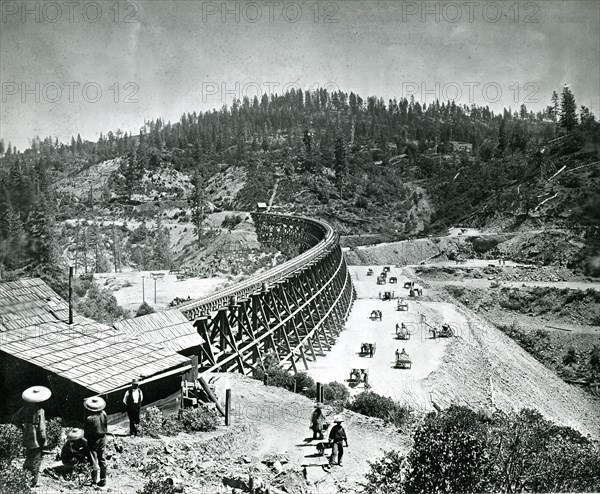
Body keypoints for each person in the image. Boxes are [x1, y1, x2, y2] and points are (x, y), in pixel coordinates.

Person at [20, 386, 51, 487]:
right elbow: (42, 428)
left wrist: (23, 428)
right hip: (36, 438)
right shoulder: (40, 410)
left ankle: (23, 477)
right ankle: (33, 482)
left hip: (27, 435)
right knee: (36, 460)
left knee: (29, 457)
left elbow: (14, 418)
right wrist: (44, 440)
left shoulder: (25, 408)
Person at [84, 396, 108, 487]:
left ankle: (94, 480)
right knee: (102, 457)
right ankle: (103, 479)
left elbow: (87, 432)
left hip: (93, 439)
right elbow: (105, 425)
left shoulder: (89, 418)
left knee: (93, 459)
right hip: (103, 437)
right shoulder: (104, 414)